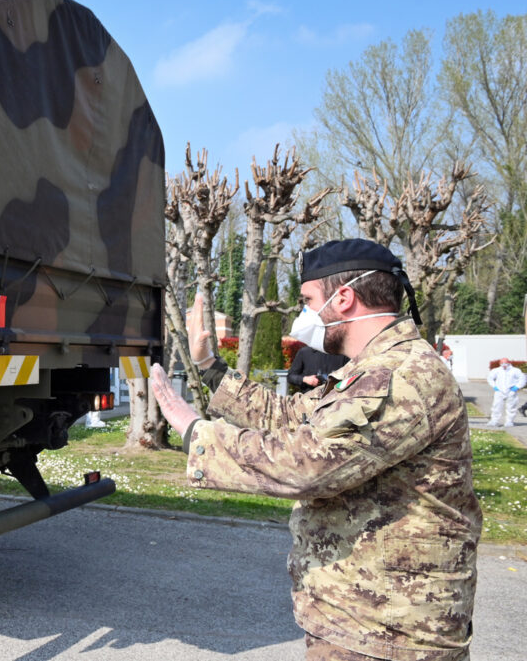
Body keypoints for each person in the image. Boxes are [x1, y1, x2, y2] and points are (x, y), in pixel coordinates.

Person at [150, 239, 480, 661]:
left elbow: (309, 463)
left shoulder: (402, 375)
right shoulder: (370, 370)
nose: (303, 315)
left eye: (308, 301)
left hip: (390, 634)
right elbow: (289, 415)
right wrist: (210, 367)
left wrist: (194, 432)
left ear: (343, 298)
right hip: (363, 622)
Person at [486, 357, 525, 427]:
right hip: (499, 391)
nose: (504, 364)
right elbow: (490, 378)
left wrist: (516, 387)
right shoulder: (496, 371)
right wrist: (494, 386)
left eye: (506, 363)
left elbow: (523, 379)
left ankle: (509, 421)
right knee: (496, 406)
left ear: (509, 363)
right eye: (502, 363)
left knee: (511, 407)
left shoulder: (515, 371)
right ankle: (494, 420)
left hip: (511, 391)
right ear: (500, 363)